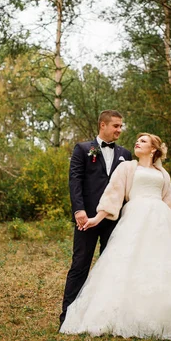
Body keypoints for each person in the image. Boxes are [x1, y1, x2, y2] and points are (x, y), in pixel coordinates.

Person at [60, 133, 171, 341]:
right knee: (129, 264)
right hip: (135, 220)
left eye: (144, 141)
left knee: (164, 266)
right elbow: (114, 194)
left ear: (154, 149)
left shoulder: (163, 174)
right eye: (137, 140)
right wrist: (96, 218)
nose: (137, 142)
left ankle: (166, 312)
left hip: (161, 223)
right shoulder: (127, 168)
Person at [59, 110, 133, 325]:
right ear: (103, 125)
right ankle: (68, 317)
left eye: (121, 126)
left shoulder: (125, 154)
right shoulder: (83, 149)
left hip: (114, 220)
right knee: (80, 265)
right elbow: (75, 180)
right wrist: (79, 210)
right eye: (116, 126)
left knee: (110, 267)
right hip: (87, 219)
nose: (119, 130)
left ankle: (105, 317)